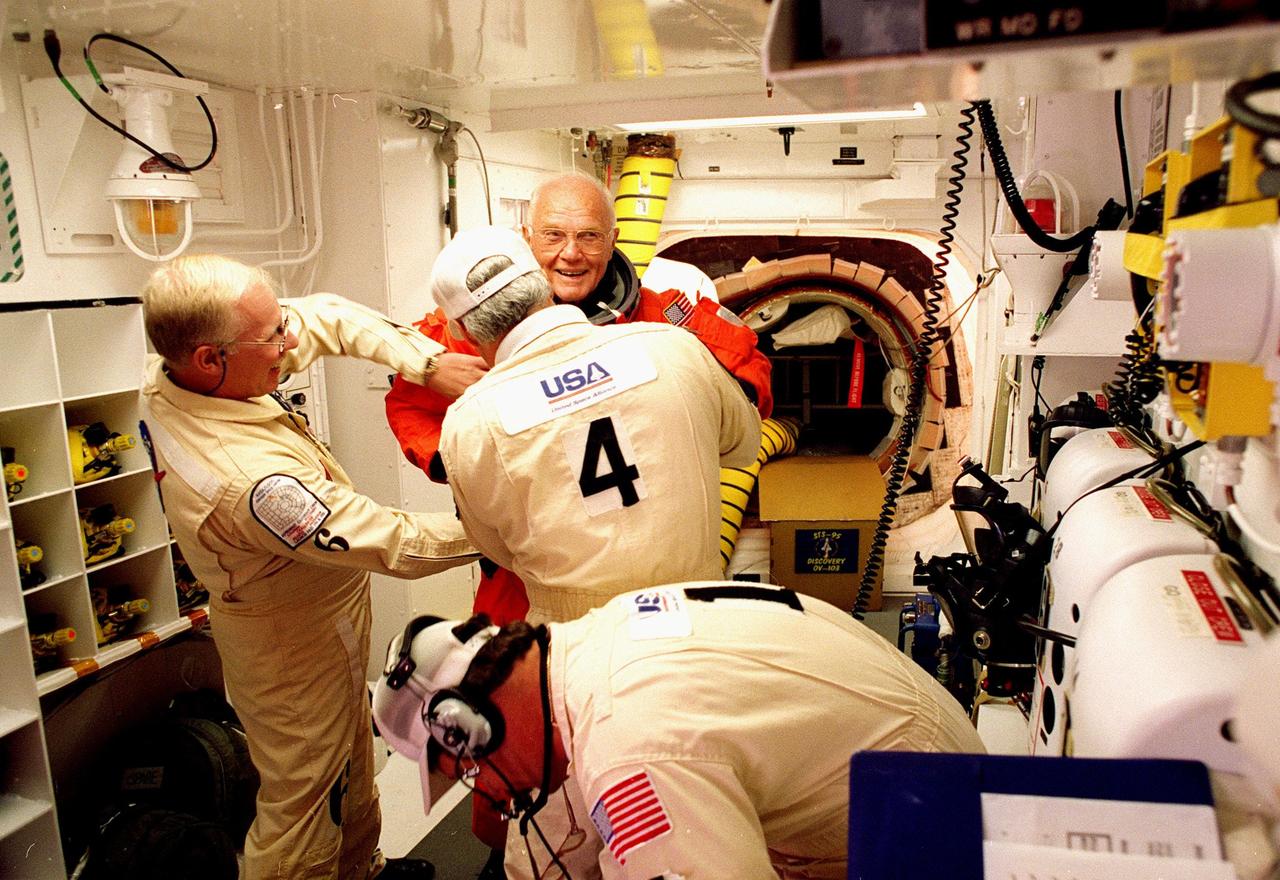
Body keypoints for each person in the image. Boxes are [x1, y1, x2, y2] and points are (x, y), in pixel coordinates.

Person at [139, 254, 480, 880]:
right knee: (305, 804)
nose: (288, 341)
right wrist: (499, 531)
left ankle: (361, 871)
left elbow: (326, 317)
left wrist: (425, 365)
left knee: (349, 759)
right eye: (272, 336)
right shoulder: (247, 481)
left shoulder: (184, 370)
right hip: (287, 643)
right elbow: (391, 542)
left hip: (319, 613)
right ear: (211, 359)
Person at [373, 582, 987, 880]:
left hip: (923, 829)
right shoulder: (590, 645)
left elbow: (634, 770)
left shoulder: (630, 751)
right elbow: (571, 816)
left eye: (472, 774)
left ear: (467, 729)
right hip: (916, 751)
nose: (495, 796)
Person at [384, 171, 774, 625]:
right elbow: (409, 403)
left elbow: (747, 367)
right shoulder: (469, 333)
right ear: (527, 239)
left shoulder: (667, 321)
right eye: (553, 236)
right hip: (532, 581)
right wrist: (471, 459)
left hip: (667, 568)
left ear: (613, 241)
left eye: (589, 236)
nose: (571, 253)